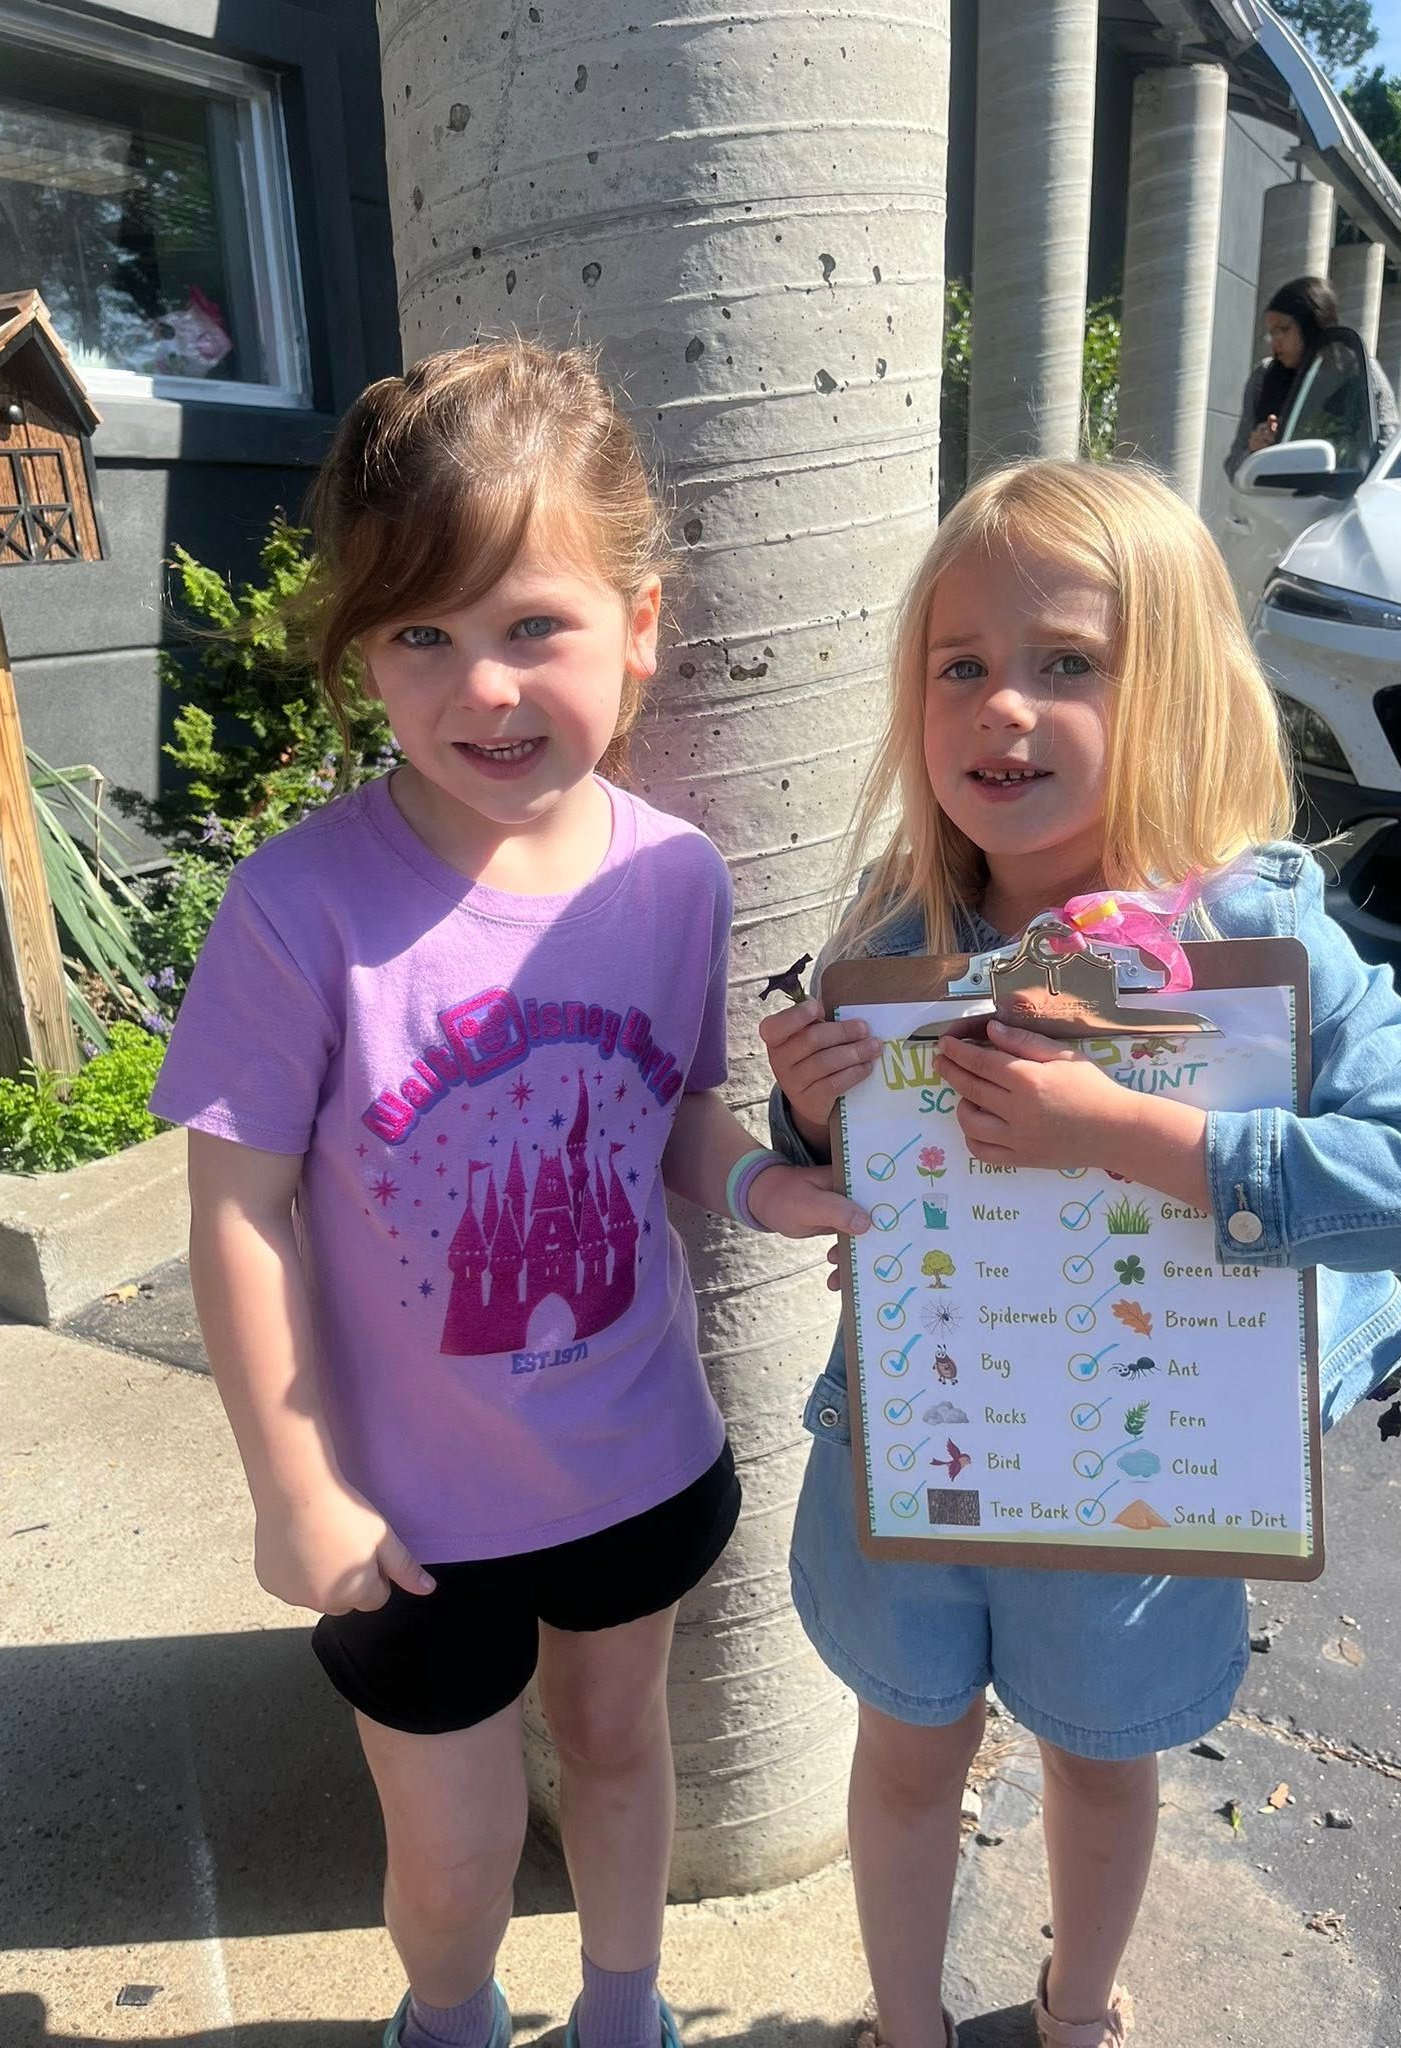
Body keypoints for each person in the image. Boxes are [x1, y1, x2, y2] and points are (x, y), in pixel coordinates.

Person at [150, 340, 868, 2048]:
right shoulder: (298, 907)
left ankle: (628, 2003)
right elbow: (236, 1212)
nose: (482, 687)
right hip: (400, 1519)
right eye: (422, 634)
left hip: (633, 1447)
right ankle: (447, 2016)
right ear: (363, 653)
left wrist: (769, 1185)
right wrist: (294, 1486)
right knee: (455, 1847)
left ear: (639, 619)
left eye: (529, 624)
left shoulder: (673, 872)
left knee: (621, 1747)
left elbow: (668, 1113)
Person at [760, 458, 1401, 2048]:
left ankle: (1077, 2010)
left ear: (1176, 689)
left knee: (1103, 1759)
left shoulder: (1260, 944)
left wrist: (1129, 1133)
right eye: (960, 667)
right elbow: (836, 1178)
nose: (999, 710)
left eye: (1066, 663)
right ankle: (904, 2023)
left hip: (1143, 1479)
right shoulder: (896, 936)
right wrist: (812, 1127)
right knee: (905, 1753)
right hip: (924, 1450)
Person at [1225, 273, 1398, 480]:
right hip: (1266, 506)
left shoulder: (1362, 375)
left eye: (1283, 330)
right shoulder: (1263, 377)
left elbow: (1387, 454)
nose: (1275, 341)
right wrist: (1254, 451)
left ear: (1314, 324)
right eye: (1271, 333)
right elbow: (1233, 466)